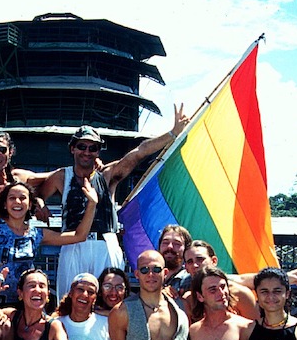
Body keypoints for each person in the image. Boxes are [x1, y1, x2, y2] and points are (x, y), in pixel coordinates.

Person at [40, 106, 189, 292]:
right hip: (72, 245)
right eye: (82, 146)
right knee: (69, 300)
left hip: (106, 244)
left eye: (93, 148)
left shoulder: (107, 175)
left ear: (98, 151)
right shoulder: (61, 177)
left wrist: (172, 134)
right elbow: (34, 192)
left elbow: (139, 153)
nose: (87, 152)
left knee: (111, 299)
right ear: (72, 148)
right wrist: (39, 203)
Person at [182, 265, 252, 340]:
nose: (221, 293)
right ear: (200, 296)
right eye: (213, 290)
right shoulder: (194, 331)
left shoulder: (245, 328)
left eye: (223, 287)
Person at [182, 241, 258, 322]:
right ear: (186, 268)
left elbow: (258, 330)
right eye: (190, 262)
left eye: (200, 259)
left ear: (214, 261)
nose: (195, 265)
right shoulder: (188, 299)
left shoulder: (240, 294)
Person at [158, 224, 193, 297]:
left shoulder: (190, 280)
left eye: (177, 244)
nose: (170, 247)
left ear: (186, 249)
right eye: (165, 242)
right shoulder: (150, 277)